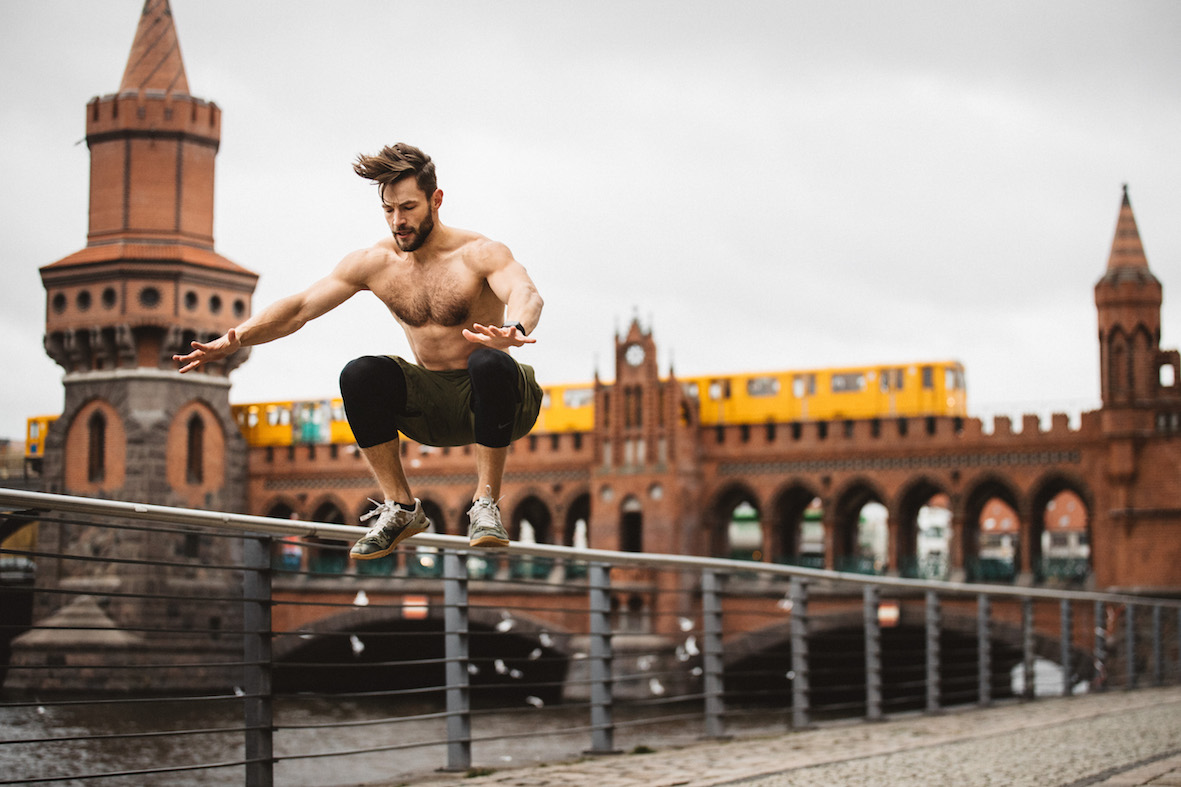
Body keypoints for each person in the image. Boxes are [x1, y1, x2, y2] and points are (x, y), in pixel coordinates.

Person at [174, 143, 543, 558]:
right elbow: (299, 308)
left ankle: (486, 503)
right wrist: (236, 338)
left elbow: (524, 289)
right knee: (360, 374)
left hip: (500, 401)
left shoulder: (479, 253)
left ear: (436, 200)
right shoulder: (374, 263)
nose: (398, 222)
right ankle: (401, 507)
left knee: (487, 360)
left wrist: (515, 326)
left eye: (408, 207)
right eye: (388, 210)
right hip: (432, 408)